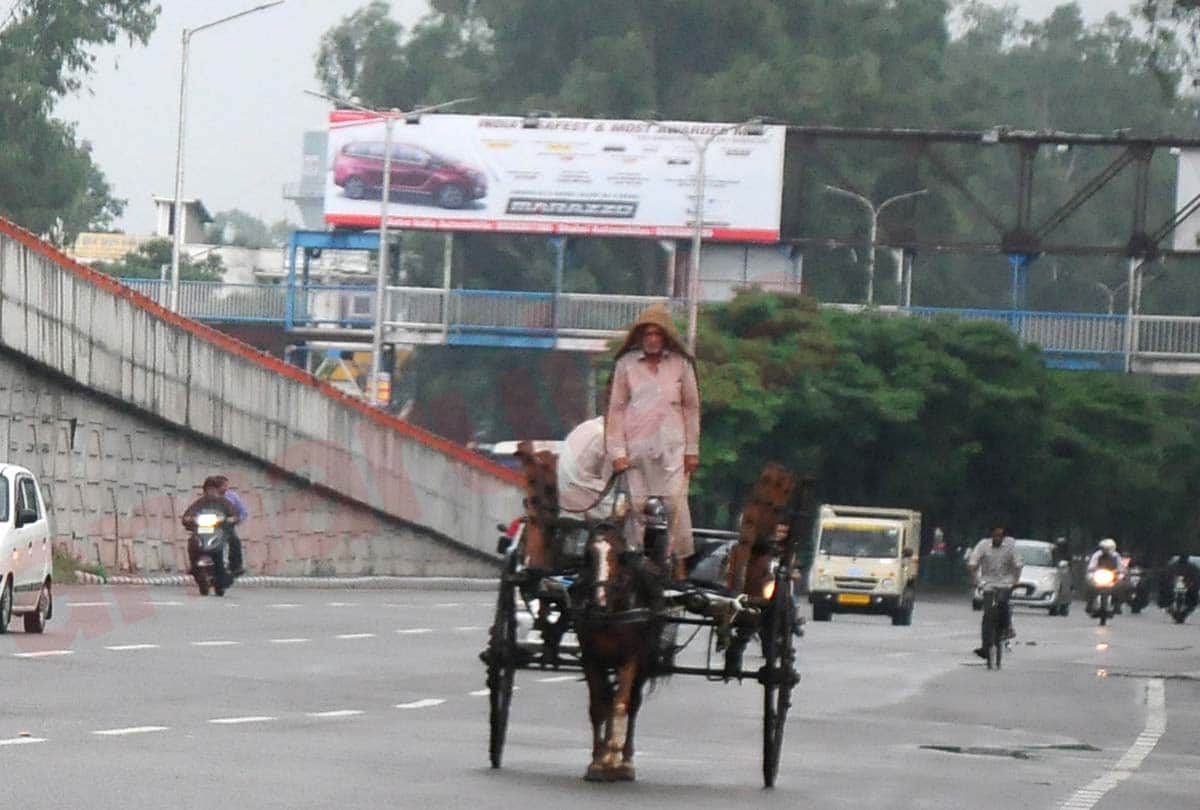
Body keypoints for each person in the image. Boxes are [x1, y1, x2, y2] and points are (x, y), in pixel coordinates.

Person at [605, 304, 701, 582]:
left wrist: (693, 450)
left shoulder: (681, 365)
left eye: (657, 334)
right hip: (635, 448)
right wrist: (617, 452)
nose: (652, 339)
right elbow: (617, 409)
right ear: (639, 337)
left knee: (674, 504)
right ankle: (634, 559)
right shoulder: (626, 365)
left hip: (673, 447)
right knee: (635, 505)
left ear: (666, 337)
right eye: (646, 334)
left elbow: (692, 407)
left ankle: (680, 561)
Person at [967, 525, 1023, 658]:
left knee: (1003, 602)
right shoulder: (983, 545)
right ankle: (985, 646)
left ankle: (1007, 627)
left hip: (1005, 582)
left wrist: (1015, 580)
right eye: (994, 535)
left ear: (1004, 537)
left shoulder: (1010, 545)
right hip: (988, 583)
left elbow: (1018, 564)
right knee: (988, 615)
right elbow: (973, 563)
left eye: (999, 536)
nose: (996, 538)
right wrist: (975, 578)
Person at [181, 476, 240, 582]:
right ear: (204, 490)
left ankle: (235, 566)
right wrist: (188, 519)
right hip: (203, 531)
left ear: (217, 490)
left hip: (220, 532)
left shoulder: (224, 502)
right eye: (208, 489)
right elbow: (188, 514)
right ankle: (194, 566)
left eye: (213, 489)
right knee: (192, 541)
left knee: (234, 540)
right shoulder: (200, 502)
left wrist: (229, 519)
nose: (210, 492)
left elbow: (234, 515)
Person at [214, 475, 248, 576]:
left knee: (235, 541)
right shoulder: (210, 496)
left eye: (226, 485)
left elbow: (242, 511)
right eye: (223, 486)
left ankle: (236, 566)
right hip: (211, 524)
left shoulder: (232, 496)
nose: (226, 488)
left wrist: (236, 519)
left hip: (226, 524)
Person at [1085, 538, 1126, 615]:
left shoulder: (1116, 556)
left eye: (1107, 548)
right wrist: (1092, 570)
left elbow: (1121, 567)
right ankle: (1089, 603)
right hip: (1099, 576)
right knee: (1090, 584)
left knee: (1120, 585)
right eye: (1104, 548)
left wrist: (1120, 572)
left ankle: (1117, 605)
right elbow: (1091, 565)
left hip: (1112, 577)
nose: (1105, 550)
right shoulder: (1097, 555)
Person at [1157, 553, 1200, 619]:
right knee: (1164, 594)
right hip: (1173, 586)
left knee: (1193, 596)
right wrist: (1166, 581)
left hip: (1187, 586)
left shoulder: (1192, 567)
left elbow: (1196, 577)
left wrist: (1192, 583)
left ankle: (1186, 609)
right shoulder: (1172, 566)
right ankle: (1169, 606)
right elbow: (1165, 575)